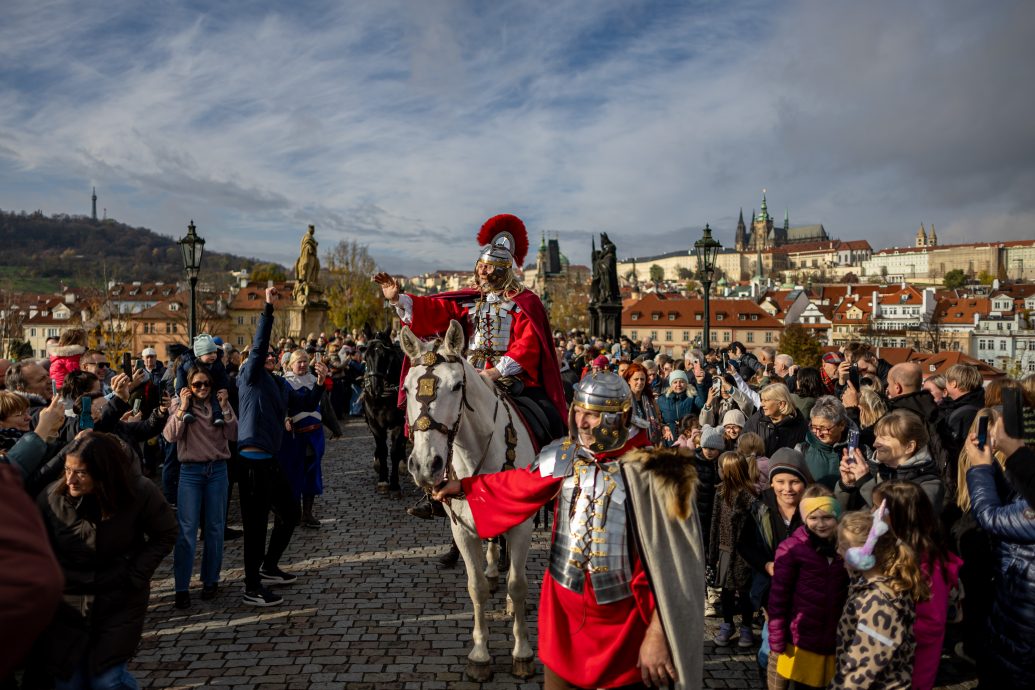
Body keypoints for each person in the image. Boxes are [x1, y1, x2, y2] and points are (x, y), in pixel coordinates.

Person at [432, 371, 704, 689]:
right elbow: (519, 484)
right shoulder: (566, 454)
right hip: (563, 621)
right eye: (578, 411)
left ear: (621, 417)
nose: (583, 422)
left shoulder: (659, 474)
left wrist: (658, 632)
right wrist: (464, 486)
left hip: (625, 630)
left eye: (593, 414)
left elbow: (676, 571)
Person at [35, 432, 176, 689]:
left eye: (81, 473)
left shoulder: (139, 491)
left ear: (102, 472)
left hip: (118, 600)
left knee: (106, 680)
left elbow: (165, 534)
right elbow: (36, 548)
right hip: (68, 606)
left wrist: (134, 574)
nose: (71, 480)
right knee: (69, 682)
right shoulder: (52, 498)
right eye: (67, 470)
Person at [237, 286, 329, 607]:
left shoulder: (278, 384)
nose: (271, 358)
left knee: (289, 513)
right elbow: (260, 346)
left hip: (271, 460)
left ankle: (269, 565)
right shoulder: (250, 378)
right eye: (267, 356)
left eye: (276, 356)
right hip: (250, 460)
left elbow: (304, 401)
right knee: (256, 525)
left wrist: (320, 382)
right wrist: (268, 309)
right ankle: (251, 585)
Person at [964, 412, 1035, 688]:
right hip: (1014, 611)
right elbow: (1019, 499)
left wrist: (980, 468)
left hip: (1025, 632)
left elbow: (993, 518)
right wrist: (991, 463)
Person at [870, 480, 962, 690]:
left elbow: (932, 623)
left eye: (877, 507)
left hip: (910, 670)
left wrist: (885, 631)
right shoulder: (888, 548)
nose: (873, 512)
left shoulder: (928, 566)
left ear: (899, 517)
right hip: (887, 662)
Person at [163, 365, 238, 609]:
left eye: (206, 383)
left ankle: (211, 579)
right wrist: (183, 408)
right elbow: (170, 436)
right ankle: (181, 586)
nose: (202, 388)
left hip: (217, 470)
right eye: (197, 385)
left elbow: (235, 433)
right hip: (191, 473)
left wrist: (226, 407)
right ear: (189, 386)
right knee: (187, 531)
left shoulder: (220, 404)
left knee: (215, 528)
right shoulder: (180, 405)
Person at [831, 506, 928, 690]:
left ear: (864, 555)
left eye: (843, 547)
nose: (837, 550)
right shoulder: (868, 583)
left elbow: (863, 670)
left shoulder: (879, 604)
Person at [766, 484, 848, 690]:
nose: (820, 524)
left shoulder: (845, 549)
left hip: (831, 640)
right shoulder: (792, 549)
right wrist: (777, 639)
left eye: (827, 517)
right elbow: (778, 599)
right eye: (813, 518)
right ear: (804, 519)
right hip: (799, 640)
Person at [836, 409, 946, 515]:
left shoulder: (929, 484)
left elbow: (904, 519)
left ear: (909, 447)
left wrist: (865, 482)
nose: (875, 444)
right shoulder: (875, 472)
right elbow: (843, 515)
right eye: (876, 436)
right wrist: (847, 486)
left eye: (884, 438)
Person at [709, 451, 759, 648]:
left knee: (744, 592)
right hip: (724, 548)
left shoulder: (750, 496)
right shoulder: (720, 493)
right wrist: (712, 553)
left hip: (743, 552)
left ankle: (746, 627)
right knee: (726, 592)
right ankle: (727, 624)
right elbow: (715, 522)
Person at [281, 349, 327, 529]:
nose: (302, 364)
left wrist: (334, 426)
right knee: (295, 473)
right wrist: (285, 417)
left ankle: (307, 513)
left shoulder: (315, 379)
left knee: (313, 474)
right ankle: (295, 513)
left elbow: (324, 405)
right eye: (298, 361)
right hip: (296, 435)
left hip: (315, 435)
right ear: (291, 364)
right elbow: (282, 405)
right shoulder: (285, 382)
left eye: (304, 361)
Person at [795, 396, 858, 489]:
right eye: (814, 427)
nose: (818, 433)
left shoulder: (859, 451)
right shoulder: (801, 450)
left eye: (824, 428)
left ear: (841, 425)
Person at [746, 383, 808, 458]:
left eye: (766, 400)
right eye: (761, 400)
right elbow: (742, 448)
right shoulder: (756, 420)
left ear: (781, 404)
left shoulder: (801, 426)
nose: (762, 404)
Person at [622, 362, 663, 446]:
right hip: (629, 444)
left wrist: (664, 427)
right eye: (636, 379)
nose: (640, 382)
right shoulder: (623, 400)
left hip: (650, 445)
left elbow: (659, 420)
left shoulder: (651, 399)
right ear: (629, 380)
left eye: (642, 379)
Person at [657, 369, 703, 445]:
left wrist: (700, 384)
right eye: (675, 382)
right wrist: (663, 426)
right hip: (669, 440)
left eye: (682, 382)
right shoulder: (662, 399)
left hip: (689, 439)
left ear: (686, 383)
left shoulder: (692, 398)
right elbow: (656, 418)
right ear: (671, 384)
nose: (678, 385)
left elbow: (703, 403)